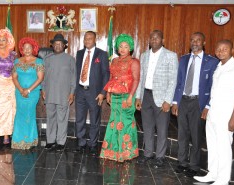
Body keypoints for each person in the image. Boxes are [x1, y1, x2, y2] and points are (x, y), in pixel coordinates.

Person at [194, 40, 234, 185]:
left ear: (232, 50)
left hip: (226, 114)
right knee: (212, 145)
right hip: (213, 112)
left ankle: (223, 180)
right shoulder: (218, 67)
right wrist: (208, 108)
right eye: (218, 49)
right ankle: (213, 174)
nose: (221, 51)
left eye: (225, 49)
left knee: (223, 147)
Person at [171, 32, 219, 177]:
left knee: (196, 135)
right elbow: (179, 82)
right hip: (183, 100)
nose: (195, 42)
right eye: (192, 40)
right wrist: (175, 101)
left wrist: (208, 106)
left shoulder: (211, 61)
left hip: (199, 102)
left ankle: (194, 165)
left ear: (203, 43)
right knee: (182, 134)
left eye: (198, 40)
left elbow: (213, 86)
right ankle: (182, 162)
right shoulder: (184, 59)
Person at [135, 30, 178, 168]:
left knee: (161, 129)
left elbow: (173, 80)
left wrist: (168, 100)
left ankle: (160, 156)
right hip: (146, 96)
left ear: (162, 40)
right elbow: (140, 78)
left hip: (161, 99)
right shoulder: (144, 55)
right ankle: (148, 154)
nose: (154, 40)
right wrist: (138, 97)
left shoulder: (171, 56)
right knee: (147, 127)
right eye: (151, 38)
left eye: (157, 38)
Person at [100, 34, 140, 162]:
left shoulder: (134, 62)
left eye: (126, 46)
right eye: (120, 46)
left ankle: (126, 153)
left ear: (130, 48)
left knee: (126, 123)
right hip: (115, 96)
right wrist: (108, 93)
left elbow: (136, 80)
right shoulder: (114, 61)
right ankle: (113, 150)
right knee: (114, 122)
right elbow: (111, 78)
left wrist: (130, 97)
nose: (122, 49)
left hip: (127, 96)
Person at [74, 31, 110, 155]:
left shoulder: (102, 54)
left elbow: (106, 74)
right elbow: (76, 72)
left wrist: (103, 92)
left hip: (95, 93)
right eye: (85, 38)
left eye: (90, 38)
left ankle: (93, 144)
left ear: (95, 40)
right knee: (80, 119)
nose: (87, 40)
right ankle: (81, 142)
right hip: (80, 90)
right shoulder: (79, 54)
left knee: (94, 120)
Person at [42, 33, 76, 152]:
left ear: (64, 46)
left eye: (60, 44)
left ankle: (61, 142)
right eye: (55, 44)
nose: (57, 46)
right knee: (50, 117)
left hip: (64, 94)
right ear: (52, 45)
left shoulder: (70, 59)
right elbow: (43, 77)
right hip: (50, 93)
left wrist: (72, 92)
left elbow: (73, 77)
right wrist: (44, 90)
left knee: (62, 118)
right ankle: (50, 140)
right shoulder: (47, 59)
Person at [11, 37, 44, 150]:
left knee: (29, 114)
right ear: (22, 49)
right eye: (25, 48)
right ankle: (18, 141)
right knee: (20, 115)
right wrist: (21, 90)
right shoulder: (17, 61)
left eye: (29, 48)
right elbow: (14, 77)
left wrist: (28, 90)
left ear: (33, 48)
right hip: (19, 93)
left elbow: (40, 78)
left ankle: (30, 140)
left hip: (32, 93)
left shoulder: (39, 61)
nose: (27, 50)